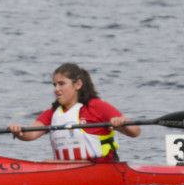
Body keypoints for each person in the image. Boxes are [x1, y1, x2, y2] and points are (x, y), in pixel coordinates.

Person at [9, 63, 141, 161]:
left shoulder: (96, 106)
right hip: (68, 172)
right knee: (48, 163)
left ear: (77, 84)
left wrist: (122, 124)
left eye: (61, 84)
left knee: (48, 162)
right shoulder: (53, 113)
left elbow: (135, 131)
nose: (56, 89)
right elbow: (30, 134)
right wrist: (19, 132)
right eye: (54, 85)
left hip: (104, 170)